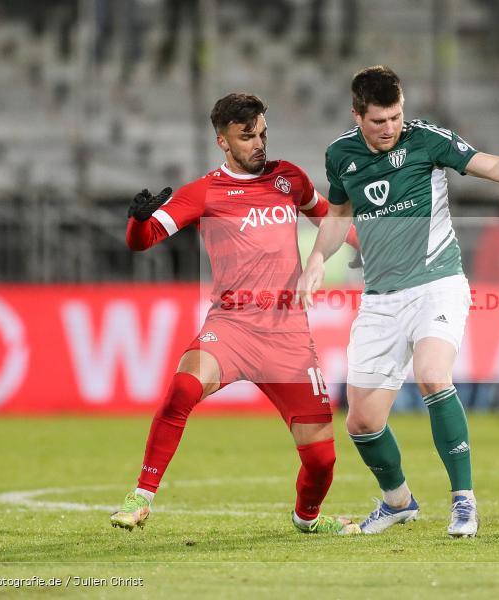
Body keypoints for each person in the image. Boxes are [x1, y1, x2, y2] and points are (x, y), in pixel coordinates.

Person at [295, 65, 499, 537]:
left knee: (432, 375)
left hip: (438, 283)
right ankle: (398, 502)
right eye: (378, 121)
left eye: (395, 117)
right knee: (362, 421)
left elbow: (492, 165)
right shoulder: (340, 155)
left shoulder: (426, 140)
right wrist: (314, 261)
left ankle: (463, 501)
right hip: (381, 297)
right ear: (357, 115)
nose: (390, 129)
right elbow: (338, 214)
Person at [110, 93, 359, 534]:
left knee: (322, 461)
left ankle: (308, 519)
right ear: (222, 141)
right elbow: (141, 240)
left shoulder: (289, 179)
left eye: (263, 133)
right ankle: (141, 496)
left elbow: (332, 222)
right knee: (181, 391)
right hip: (232, 326)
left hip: (288, 337)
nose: (259, 144)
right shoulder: (204, 192)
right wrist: (136, 220)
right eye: (247, 137)